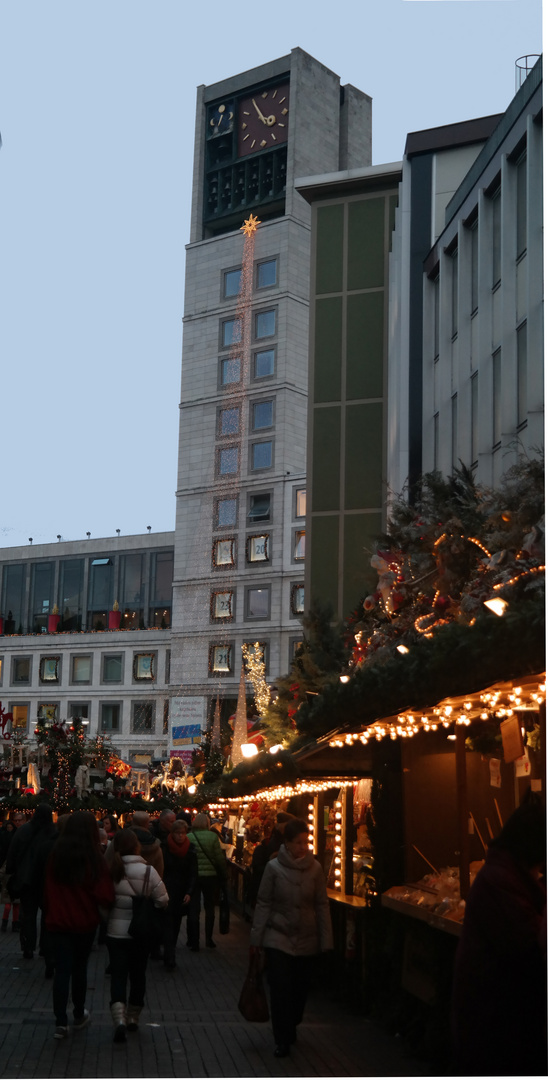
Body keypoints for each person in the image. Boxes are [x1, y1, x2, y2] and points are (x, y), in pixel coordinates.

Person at [451, 792, 547, 1076]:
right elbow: (527, 947)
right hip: (497, 1023)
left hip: (495, 1020)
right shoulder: (502, 881)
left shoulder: (505, 875)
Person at [249, 817, 333, 1058]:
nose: (303, 846)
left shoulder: (315, 868)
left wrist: (326, 940)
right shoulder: (273, 868)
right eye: (298, 842)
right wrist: (257, 938)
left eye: (306, 841)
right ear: (287, 844)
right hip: (279, 937)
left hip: (307, 938)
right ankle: (281, 1038)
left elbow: (321, 904)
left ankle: (292, 1022)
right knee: (280, 988)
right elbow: (264, 902)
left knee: (299, 989)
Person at [43, 811, 115, 1039]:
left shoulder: (56, 854)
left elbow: (48, 888)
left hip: (59, 921)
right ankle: (77, 1012)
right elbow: (104, 893)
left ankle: (60, 1021)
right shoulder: (94, 857)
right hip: (84, 922)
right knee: (79, 968)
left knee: (62, 970)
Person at [106, 828, 168, 1041]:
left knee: (118, 975)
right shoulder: (149, 871)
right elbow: (163, 900)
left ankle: (119, 1017)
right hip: (141, 932)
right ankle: (133, 1017)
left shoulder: (111, 869)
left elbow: (103, 900)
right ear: (137, 846)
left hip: (116, 932)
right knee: (138, 974)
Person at [6, 803, 57, 960]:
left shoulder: (24, 830)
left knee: (28, 914)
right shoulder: (53, 833)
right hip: (46, 879)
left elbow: (13, 853)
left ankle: (28, 947)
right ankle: (45, 946)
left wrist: (12, 871)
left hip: (26, 878)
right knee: (47, 914)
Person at [161, 819, 197, 970]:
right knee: (168, 923)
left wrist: (189, 892)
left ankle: (170, 950)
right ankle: (170, 956)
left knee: (176, 924)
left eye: (183, 833)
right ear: (172, 833)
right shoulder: (164, 847)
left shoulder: (190, 849)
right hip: (166, 890)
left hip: (181, 892)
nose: (181, 836)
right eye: (178, 833)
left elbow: (193, 873)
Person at [187, 812, 227, 951]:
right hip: (210, 876)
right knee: (209, 908)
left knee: (194, 908)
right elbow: (218, 857)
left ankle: (195, 941)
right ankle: (209, 939)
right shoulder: (212, 837)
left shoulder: (189, 837)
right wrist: (224, 873)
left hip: (194, 877)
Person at [0, 811, 25, 932]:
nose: (17, 822)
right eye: (16, 820)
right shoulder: (9, 836)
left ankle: (14, 923)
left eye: (19, 820)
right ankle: (5, 922)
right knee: (8, 902)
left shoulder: (20, 834)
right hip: (9, 870)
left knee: (15, 902)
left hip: (17, 871)